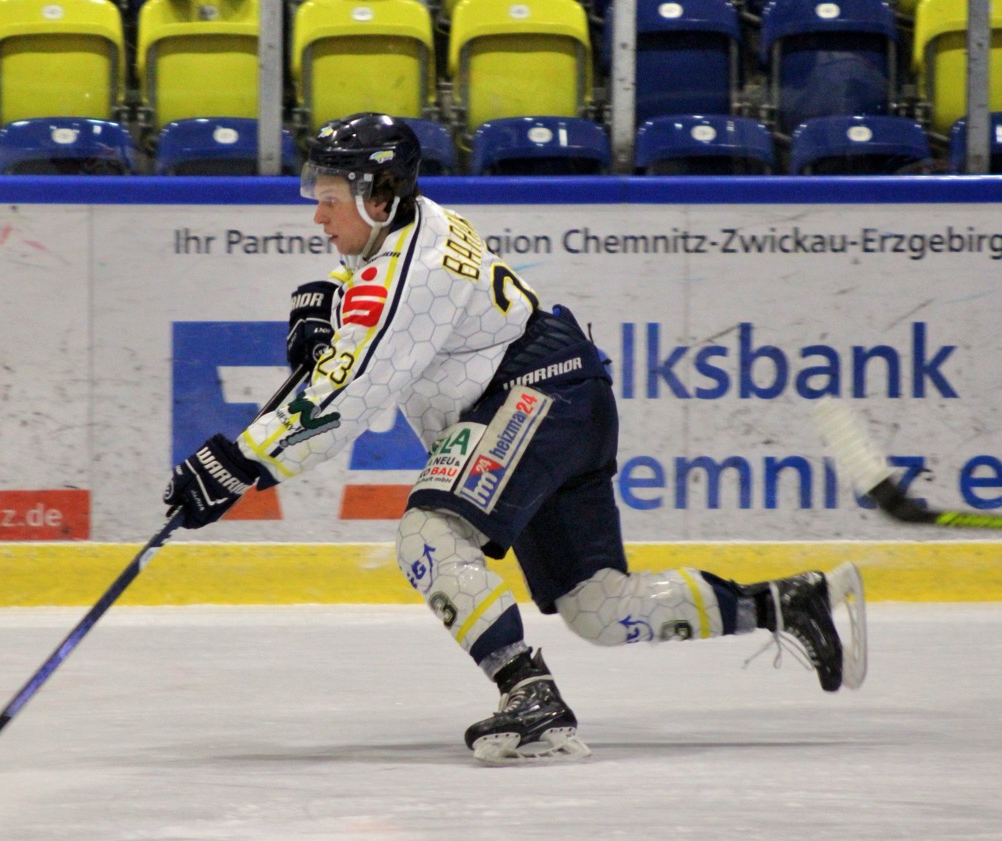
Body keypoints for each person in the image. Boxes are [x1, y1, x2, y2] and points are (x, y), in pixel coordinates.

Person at [162, 112, 868, 764]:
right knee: (600, 607)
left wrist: (240, 462)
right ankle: (786, 602)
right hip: (563, 390)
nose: (317, 215)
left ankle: (530, 696)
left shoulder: (416, 272)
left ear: (377, 195)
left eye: (329, 200)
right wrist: (331, 302)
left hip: (534, 397)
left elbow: (351, 394)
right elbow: (370, 291)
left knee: (429, 535)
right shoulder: (412, 221)